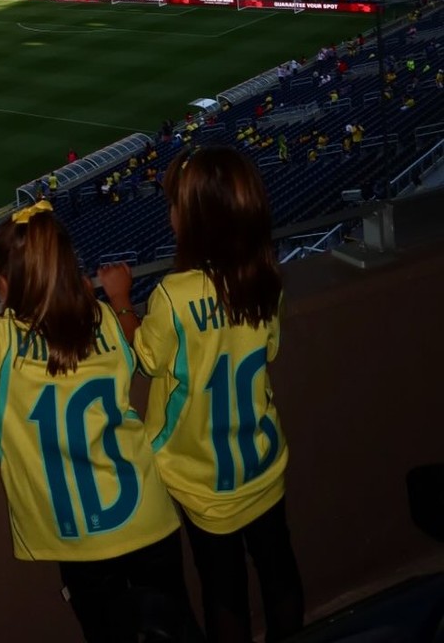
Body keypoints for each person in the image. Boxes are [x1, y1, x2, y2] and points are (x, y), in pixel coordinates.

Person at [0, 202, 201, 643]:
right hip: (149, 517)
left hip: (80, 537)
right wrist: (116, 299)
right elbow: (133, 350)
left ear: (2, 285)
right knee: (177, 630)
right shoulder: (103, 319)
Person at [103, 146, 303, 643]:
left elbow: (146, 359)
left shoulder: (175, 293)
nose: (170, 214)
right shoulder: (265, 276)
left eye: (175, 205)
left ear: (195, 220)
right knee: (279, 570)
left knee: (223, 590)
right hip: (262, 459)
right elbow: (270, 349)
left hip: (203, 476)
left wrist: (123, 302)